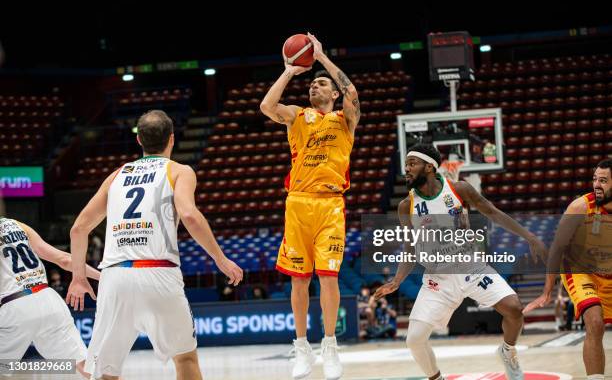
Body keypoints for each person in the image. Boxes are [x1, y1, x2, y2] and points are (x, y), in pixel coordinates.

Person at [66, 110, 243, 380]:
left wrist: (78, 277)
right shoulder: (179, 171)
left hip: (114, 278)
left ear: (139, 141)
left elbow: (79, 228)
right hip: (158, 272)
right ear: (172, 139)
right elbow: (190, 216)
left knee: (106, 371)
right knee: (185, 359)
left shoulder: (116, 175)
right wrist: (220, 259)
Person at [374, 143, 547, 380]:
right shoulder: (407, 206)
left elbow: (493, 212)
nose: (407, 169)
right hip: (438, 278)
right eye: (406, 164)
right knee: (414, 340)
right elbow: (410, 248)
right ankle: (436, 378)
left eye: (412, 164)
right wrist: (396, 280)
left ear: (430, 167)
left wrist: (530, 236)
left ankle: (508, 351)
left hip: (471, 267)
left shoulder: (459, 189)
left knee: (514, 308)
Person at [260, 33, 360, 380]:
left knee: (328, 277)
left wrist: (322, 58)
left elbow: (352, 93)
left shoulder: (344, 120)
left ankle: (329, 345)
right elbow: (266, 107)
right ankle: (302, 346)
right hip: (298, 205)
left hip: (331, 205)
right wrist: (289, 71)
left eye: (321, 84)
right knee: (299, 281)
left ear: (332, 94)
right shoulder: (296, 116)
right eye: (312, 84)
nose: (313, 87)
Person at [524, 159, 612, 380]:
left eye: (603, 181)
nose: (596, 185)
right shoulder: (580, 207)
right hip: (580, 271)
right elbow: (557, 248)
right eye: (594, 179)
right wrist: (547, 290)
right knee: (594, 322)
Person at [0, 217, 99, 378]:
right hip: (48, 299)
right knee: (86, 365)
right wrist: (103, 277)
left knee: (3, 369)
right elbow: (65, 259)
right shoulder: (17, 225)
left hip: (14, 304)